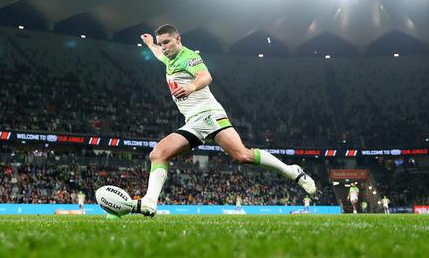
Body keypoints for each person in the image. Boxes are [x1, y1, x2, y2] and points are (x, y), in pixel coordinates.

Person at [130, 24, 316, 217]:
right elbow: (159, 54)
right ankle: (150, 204)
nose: (164, 47)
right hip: (193, 122)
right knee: (158, 154)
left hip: (209, 114)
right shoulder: (168, 57)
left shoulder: (189, 57)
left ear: (179, 40)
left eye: (167, 42)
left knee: (243, 156)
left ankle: (292, 171)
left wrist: (192, 87)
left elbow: (206, 76)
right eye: (162, 43)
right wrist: (151, 44)